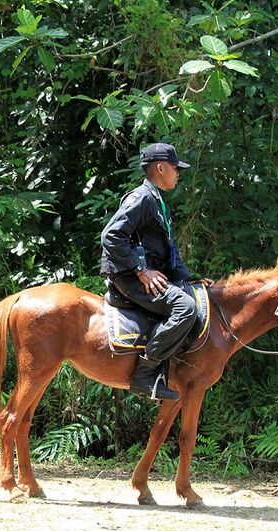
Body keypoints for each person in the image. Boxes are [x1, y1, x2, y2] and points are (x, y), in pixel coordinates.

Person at [100, 143, 212, 401]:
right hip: (128, 277)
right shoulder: (141, 199)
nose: (178, 173)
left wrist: (189, 279)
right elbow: (111, 236)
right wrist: (141, 271)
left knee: (192, 295)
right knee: (185, 307)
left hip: (145, 274)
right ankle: (145, 373)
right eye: (175, 168)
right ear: (160, 168)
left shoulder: (158, 200)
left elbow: (168, 251)